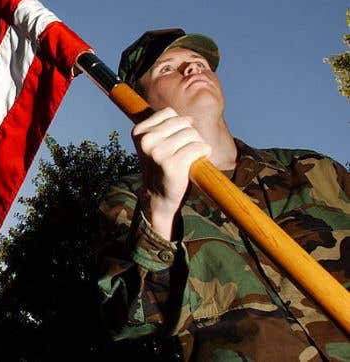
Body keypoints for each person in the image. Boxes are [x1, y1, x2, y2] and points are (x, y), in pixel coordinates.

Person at [97, 28, 350, 361]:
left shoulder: (315, 169)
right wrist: (160, 209)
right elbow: (129, 319)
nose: (192, 68)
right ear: (139, 103)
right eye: (168, 68)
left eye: (198, 62)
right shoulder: (131, 199)